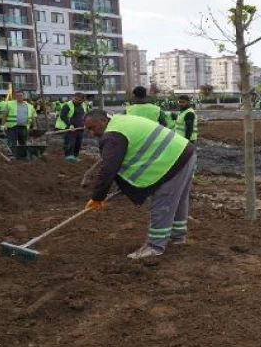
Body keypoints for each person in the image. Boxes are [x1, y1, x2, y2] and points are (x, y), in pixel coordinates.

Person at [83, 110, 197, 259]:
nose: (92, 133)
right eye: (88, 129)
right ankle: (177, 237)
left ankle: (154, 246)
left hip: (171, 159)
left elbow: (109, 169)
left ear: (103, 121)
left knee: (163, 201)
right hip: (184, 152)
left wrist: (97, 197)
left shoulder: (113, 135)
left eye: (92, 128)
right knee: (178, 199)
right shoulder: (120, 121)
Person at [1, 90, 36, 154]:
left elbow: (33, 117)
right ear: (15, 96)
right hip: (12, 126)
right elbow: (5, 114)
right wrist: (2, 125)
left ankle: (22, 153)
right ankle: (12, 153)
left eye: (20, 95)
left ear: (23, 96)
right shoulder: (9, 104)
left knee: (23, 141)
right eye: (17, 96)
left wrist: (35, 126)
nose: (19, 97)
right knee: (12, 140)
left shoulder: (29, 106)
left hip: (24, 126)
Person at [56, 92, 88, 162]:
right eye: (75, 99)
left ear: (82, 100)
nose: (76, 101)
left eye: (79, 100)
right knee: (70, 142)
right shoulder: (67, 105)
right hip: (70, 127)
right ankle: (69, 156)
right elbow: (63, 116)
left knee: (78, 143)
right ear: (74, 97)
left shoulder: (83, 105)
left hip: (80, 128)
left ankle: (75, 156)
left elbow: (84, 115)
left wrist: (85, 124)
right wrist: (70, 124)